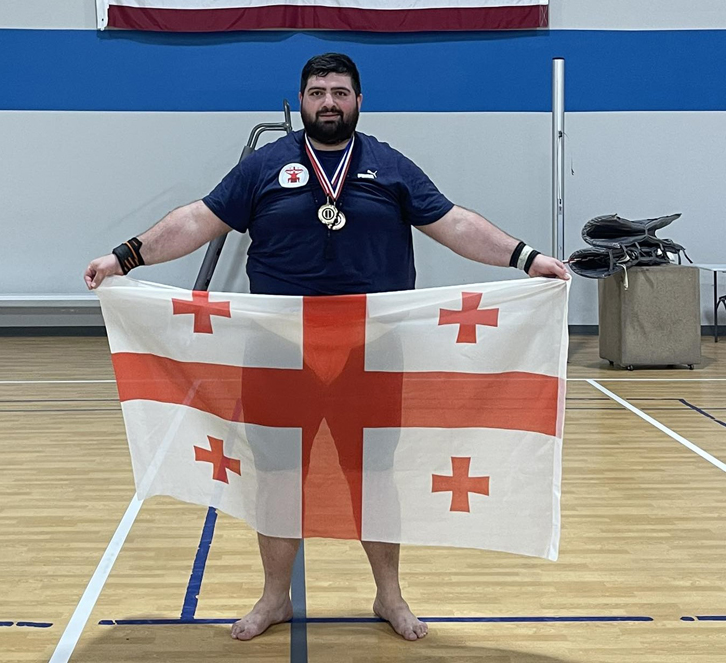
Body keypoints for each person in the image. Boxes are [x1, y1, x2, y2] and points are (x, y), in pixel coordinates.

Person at [85, 52, 569, 642]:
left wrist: (527, 258)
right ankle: (275, 598)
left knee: (375, 475)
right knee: (277, 475)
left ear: (359, 101)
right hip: (277, 351)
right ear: (302, 101)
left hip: (372, 351)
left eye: (340, 92)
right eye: (318, 93)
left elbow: (455, 224)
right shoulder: (265, 166)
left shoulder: (390, 166)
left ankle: (389, 596)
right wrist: (125, 256)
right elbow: (196, 221)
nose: (329, 103)